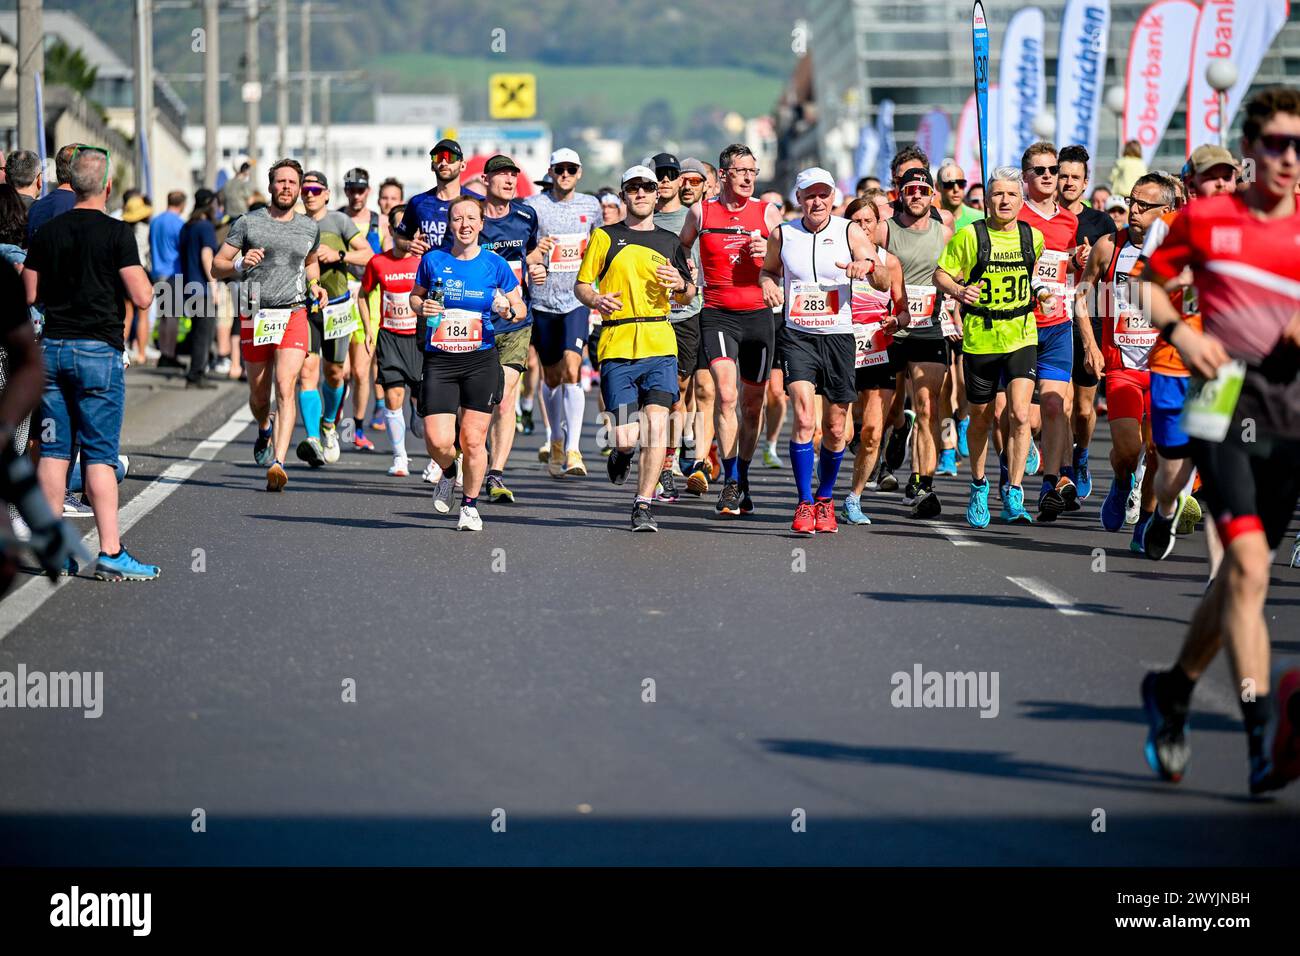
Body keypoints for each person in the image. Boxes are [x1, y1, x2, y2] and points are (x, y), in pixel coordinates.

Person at [1139, 86, 1300, 796]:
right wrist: (1180, 334)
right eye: (1276, 144)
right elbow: (1148, 284)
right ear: (1251, 149)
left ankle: (1173, 690)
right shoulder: (1207, 219)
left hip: (1290, 412)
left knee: (1241, 576)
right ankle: (1261, 734)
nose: (1289, 159)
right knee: (1251, 568)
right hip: (1222, 401)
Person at [21, 145, 160, 580]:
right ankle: (111, 552)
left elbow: (28, 293)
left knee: (54, 453)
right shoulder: (117, 234)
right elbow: (141, 296)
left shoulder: (49, 231)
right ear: (107, 186)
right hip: (98, 351)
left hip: (53, 350)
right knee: (99, 455)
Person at [761, 167, 889, 534]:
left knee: (835, 428)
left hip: (838, 337)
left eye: (823, 194)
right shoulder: (783, 234)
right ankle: (803, 503)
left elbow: (881, 277)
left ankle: (826, 498)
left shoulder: (847, 230)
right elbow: (768, 271)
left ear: (833, 197)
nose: (817, 201)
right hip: (798, 335)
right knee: (804, 418)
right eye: (809, 195)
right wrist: (769, 285)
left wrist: (865, 266)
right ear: (799, 199)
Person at [575, 166, 695, 532]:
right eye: (633, 188)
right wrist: (596, 298)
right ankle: (622, 454)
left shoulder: (670, 241)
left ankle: (643, 503)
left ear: (657, 194)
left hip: (659, 341)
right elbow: (581, 286)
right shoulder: (605, 236)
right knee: (626, 436)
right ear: (625, 195)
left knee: (658, 426)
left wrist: (680, 284)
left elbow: (689, 292)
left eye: (647, 187)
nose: (641, 193)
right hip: (617, 343)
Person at [1138, 145, 1239, 562]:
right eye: (1209, 175)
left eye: (1227, 175)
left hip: (1223, 367)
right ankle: (1163, 511)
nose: (1219, 183)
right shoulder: (1167, 226)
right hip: (1173, 363)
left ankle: (1221, 581)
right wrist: (1178, 280)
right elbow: (1138, 289)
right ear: (1190, 183)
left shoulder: (1249, 229)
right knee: (1171, 473)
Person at [933, 166, 1049, 527]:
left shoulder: (1034, 238)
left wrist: (1042, 294)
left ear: (1021, 199)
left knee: (1019, 414)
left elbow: (1035, 279)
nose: (1004, 200)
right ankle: (979, 484)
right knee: (982, 419)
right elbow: (941, 274)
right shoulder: (970, 237)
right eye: (997, 194)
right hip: (981, 337)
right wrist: (958, 290)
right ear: (987, 200)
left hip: (1021, 334)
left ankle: (1014, 491)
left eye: (1011, 194)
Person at [408, 196, 527, 532]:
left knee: (473, 440)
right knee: (437, 440)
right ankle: (448, 470)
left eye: (471, 218)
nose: (465, 224)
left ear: (481, 224)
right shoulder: (433, 260)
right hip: (441, 359)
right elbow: (415, 296)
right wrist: (421, 308)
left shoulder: (494, 264)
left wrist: (507, 308)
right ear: (450, 224)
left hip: (480, 358)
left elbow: (519, 306)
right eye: (458, 218)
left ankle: (471, 506)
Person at [677, 144, 783, 516]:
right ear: (723, 175)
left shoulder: (767, 213)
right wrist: (686, 278)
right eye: (741, 171)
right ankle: (730, 482)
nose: (749, 177)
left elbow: (787, 263)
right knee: (725, 396)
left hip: (758, 316)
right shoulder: (701, 211)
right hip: (718, 313)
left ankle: (744, 474)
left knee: (753, 406)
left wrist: (769, 257)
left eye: (753, 171)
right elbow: (681, 249)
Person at [212, 157, 330, 492]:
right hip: (255, 313)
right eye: (281, 182)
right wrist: (238, 263)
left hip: (293, 313)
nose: (287, 187)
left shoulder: (309, 227)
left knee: (286, 385)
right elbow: (215, 266)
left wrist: (315, 286)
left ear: (299, 187)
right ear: (270, 186)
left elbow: (310, 264)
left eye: (293, 183)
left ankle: (279, 462)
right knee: (260, 394)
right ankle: (264, 426)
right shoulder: (248, 223)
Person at [1074, 173, 1172, 548]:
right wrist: (1089, 344)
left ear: (1166, 211)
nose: (1133, 210)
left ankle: (1144, 523)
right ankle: (1120, 481)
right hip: (1122, 368)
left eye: (1144, 206)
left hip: (1165, 368)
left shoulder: (1178, 251)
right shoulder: (1108, 246)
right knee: (1130, 451)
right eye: (1132, 202)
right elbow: (1082, 296)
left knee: (1158, 451)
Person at [471, 155, 548, 504]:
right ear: (486, 180)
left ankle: (496, 474)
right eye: (501, 174)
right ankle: (470, 456)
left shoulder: (525, 216)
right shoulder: (472, 218)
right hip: (477, 322)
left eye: (513, 175)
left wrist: (538, 269)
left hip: (517, 321)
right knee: (475, 402)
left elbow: (530, 255)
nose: (509, 180)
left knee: (503, 400)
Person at [526, 148, 602, 478]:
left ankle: (573, 449)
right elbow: (522, 247)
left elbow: (601, 245)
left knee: (573, 368)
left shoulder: (591, 205)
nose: (566, 174)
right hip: (543, 302)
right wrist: (534, 255)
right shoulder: (534, 206)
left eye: (572, 169)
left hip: (576, 300)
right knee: (552, 376)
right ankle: (555, 438)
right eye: (560, 169)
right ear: (551, 171)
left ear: (580, 172)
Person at [884, 164, 953, 519]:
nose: (916, 196)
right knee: (885, 410)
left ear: (932, 197)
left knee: (928, 407)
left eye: (923, 191)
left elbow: (957, 271)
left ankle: (923, 481)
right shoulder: (886, 229)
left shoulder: (945, 231)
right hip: (889, 328)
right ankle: (894, 434)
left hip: (928, 326)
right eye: (910, 190)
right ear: (900, 193)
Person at [1015, 142, 1079, 521]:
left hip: (1057, 325)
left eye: (1053, 170)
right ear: (1026, 177)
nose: (1048, 176)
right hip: (1018, 327)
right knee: (1019, 416)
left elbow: (1067, 271)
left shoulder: (1068, 221)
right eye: (1039, 170)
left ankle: (1049, 484)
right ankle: (1011, 481)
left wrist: (1076, 262)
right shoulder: (1014, 214)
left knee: (1056, 405)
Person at [839, 192, 905, 525]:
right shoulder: (835, 256)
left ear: (879, 225)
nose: (863, 228)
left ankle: (854, 498)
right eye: (857, 221)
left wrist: (896, 320)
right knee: (841, 433)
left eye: (869, 221)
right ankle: (821, 494)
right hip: (841, 349)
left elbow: (903, 310)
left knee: (874, 432)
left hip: (878, 350)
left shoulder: (889, 262)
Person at [1057, 144, 1117, 506]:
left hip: (1091, 319)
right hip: (1052, 317)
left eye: (1074, 177)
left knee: (1083, 408)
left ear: (1085, 181)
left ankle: (1080, 456)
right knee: (1060, 405)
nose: (1067, 182)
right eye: (1062, 175)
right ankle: (1063, 473)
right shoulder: (1043, 220)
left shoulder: (1101, 223)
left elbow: (1109, 277)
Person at [300, 170, 373, 465]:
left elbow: (368, 255)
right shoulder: (295, 224)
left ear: (327, 194)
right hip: (304, 307)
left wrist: (339, 255)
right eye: (305, 189)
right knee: (307, 372)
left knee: (334, 373)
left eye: (316, 189)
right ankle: (313, 440)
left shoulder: (340, 221)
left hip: (338, 307)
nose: (309, 194)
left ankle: (328, 424)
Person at [359, 204, 419, 476]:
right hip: (390, 337)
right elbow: (363, 294)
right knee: (394, 395)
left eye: (413, 230)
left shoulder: (427, 260)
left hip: (420, 340)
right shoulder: (378, 262)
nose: (408, 235)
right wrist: (369, 329)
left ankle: (434, 457)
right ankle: (400, 457)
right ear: (392, 230)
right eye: (402, 229)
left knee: (422, 410)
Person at [177, 188, 221, 389]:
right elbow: (206, 256)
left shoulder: (188, 226)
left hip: (188, 286)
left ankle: (196, 372)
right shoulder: (205, 227)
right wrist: (214, 286)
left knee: (197, 332)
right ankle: (196, 374)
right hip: (202, 288)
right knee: (204, 333)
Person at [150, 191, 187, 368]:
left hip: (157, 271)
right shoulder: (179, 224)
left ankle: (163, 352)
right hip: (174, 271)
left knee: (163, 315)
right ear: (182, 204)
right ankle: (169, 353)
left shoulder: (155, 221)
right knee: (173, 316)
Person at [937, 161, 982, 231]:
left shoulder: (980, 219)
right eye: (949, 184)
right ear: (938, 187)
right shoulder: (929, 220)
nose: (956, 189)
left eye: (961, 184)